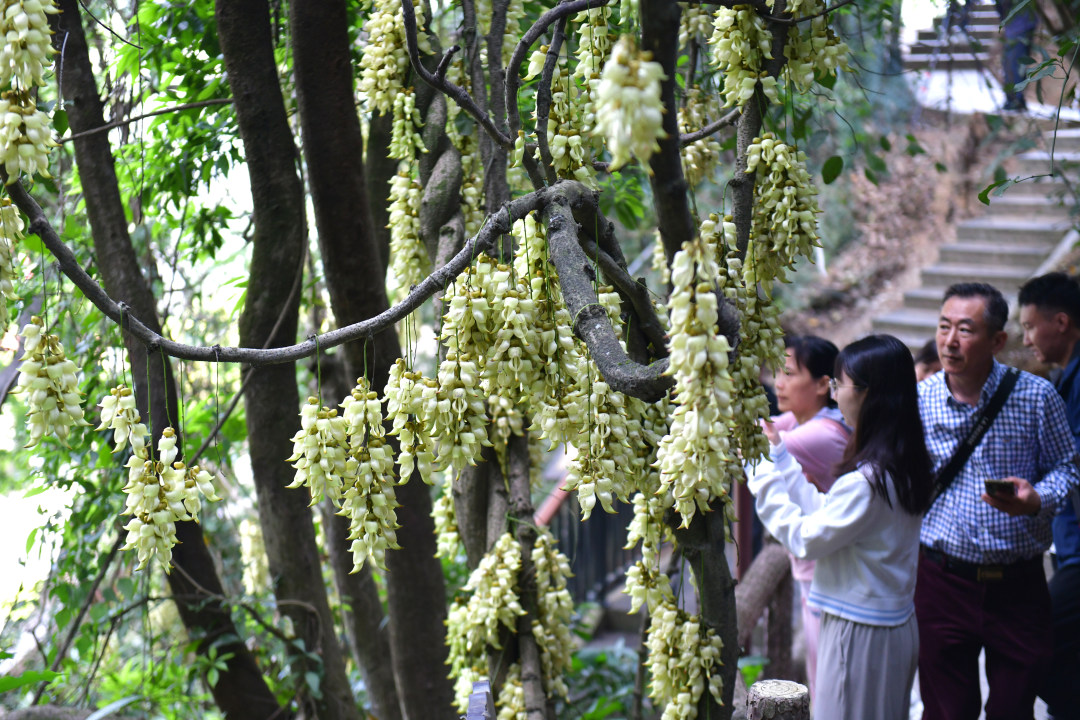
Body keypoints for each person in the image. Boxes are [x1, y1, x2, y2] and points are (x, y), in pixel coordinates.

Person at [917, 282, 1080, 720]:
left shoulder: (1036, 397)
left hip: (1018, 585)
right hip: (942, 581)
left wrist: (1037, 498)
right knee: (947, 711)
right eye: (944, 326)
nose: (950, 341)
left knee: (1013, 707)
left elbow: (1069, 468)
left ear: (997, 341)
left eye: (965, 330)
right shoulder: (921, 400)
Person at [749, 334, 933, 720]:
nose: (834, 395)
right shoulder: (897, 466)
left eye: (838, 384)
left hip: (859, 631)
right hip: (887, 625)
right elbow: (826, 514)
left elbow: (804, 538)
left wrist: (759, 471)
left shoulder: (868, 481)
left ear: (869, 394)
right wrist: (780, 457)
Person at [768, 335, 851, 701]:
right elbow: (771, 424)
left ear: (823, 385)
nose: (778, 383)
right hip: (822, 569)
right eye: (777, 373)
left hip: (826, 575)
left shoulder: (815, 435)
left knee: (826, 685)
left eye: (788, 374)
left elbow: (751, 443)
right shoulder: (812, 419)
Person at [1018, 272, 1080, 720]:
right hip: (1068, 546)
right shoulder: (1064, 380)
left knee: (1030, 647)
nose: (1025, 339)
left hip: (1078, 555)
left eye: (1029, 326)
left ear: (1061, 322)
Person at [995, 0, 1037, 111]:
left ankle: (1016, 100)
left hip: (1021, 26)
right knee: (1011, 64)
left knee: (1015, 65)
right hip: (1016, 27)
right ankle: (1014, 99)